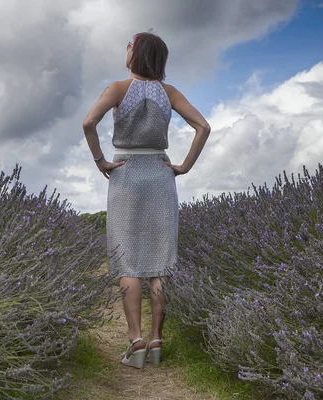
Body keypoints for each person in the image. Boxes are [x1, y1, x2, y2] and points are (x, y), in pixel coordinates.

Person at [82, 30, 211, 369]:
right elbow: (203, 127)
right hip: (160, 174)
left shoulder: (117, 89)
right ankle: (156, 339)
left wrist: (100, 161)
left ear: (134, 53)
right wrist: (183, 166)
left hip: (124, 174)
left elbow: (88, 123)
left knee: (128, 262)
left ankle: (135, 340)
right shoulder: (169, 92)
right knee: (159, 262)